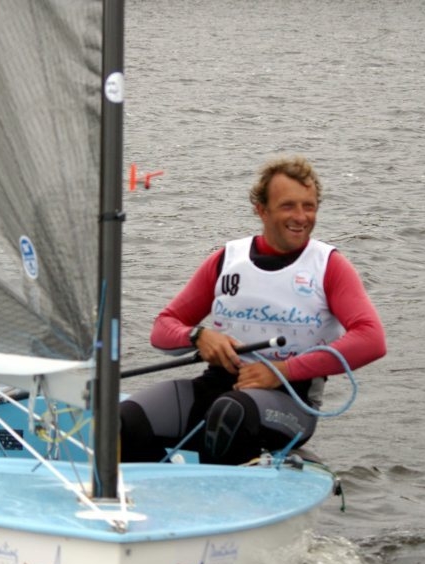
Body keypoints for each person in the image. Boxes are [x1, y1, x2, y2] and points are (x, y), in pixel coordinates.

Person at [119, 155, 386, 465]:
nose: (301, 217)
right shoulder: (228, 259)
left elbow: (371, 340)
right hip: (217, 386)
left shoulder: (329, 266)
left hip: (290, 399)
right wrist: (198, 336)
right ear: (261, 210)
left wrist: (284, 371)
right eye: (288, 206)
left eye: (309, 206)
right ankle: (151, 487)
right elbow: (163, 328)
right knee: (125, 420)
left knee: (230, 414)